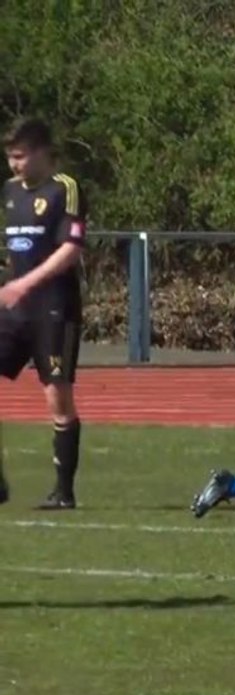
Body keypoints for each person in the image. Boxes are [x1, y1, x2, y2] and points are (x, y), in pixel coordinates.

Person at [0, 118, 89, 510]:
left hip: (54, 307)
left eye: (20, 156)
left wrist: (26, 284)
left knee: (57, 397)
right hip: (15, 309)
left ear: (39, 152)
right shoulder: (9, 192)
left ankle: (63, 492)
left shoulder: (64, 189)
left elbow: (70, 250)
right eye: (10, 158)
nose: (14, 165)